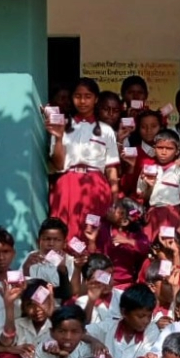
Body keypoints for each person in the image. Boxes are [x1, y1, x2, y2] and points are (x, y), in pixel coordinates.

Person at [48, 78, 121, 241]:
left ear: (96, 99)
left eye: (88, 96)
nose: (82, 101)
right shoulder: (62, 125)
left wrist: (115, 200)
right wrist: (58, 137)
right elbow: (58, 164)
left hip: (96, 186)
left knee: (93, 231)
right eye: (78, 96)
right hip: (67, 183)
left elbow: (111, 169)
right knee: (65, 230)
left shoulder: (106, 130)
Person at [138, 127, 180, 241]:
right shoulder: (147, 170)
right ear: (154, 148)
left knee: (168, 244)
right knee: (151, 244)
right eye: (160, 148)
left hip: (172, 214)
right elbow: (144, 197)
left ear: (177, 151)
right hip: (152, 214)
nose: (164, 152)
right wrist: (150, 186)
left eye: (169, 148)